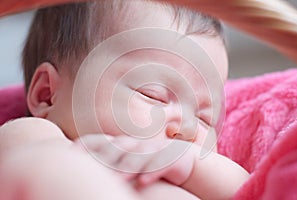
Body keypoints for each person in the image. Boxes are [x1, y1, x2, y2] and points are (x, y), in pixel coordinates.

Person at [0, 1, 249, 200]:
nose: (188, 129)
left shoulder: (191, 172)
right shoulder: (35, 135)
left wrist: (191, 164)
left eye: (205, 118)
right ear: (47, 95)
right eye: (153, 95)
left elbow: (248, 190)